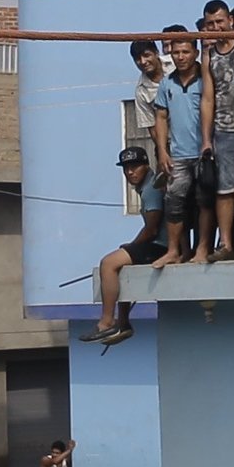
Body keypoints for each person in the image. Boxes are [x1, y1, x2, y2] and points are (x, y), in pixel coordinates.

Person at [84, 146, 163, 344]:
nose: (130, 172)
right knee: (122, 262)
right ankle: (124, 322)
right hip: (156, 243)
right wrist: (131, 246)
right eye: (126, 168)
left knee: (108, 263)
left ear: (146, 166)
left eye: (135, 166)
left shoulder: (151, 190)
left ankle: (107, 322)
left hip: (160, 246)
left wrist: (132, 245)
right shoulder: (147, 187)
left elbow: (152, 229)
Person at [148, 27, 207, 267]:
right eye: (176, 52)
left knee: (205, 202)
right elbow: (160, 118)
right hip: (179, 155)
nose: (180, 56)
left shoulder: (206, 77)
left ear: (195, 52)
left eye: (185, 51)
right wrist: (163, 150)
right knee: (174, 202)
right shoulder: (166, 84)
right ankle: (174, 251)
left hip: (204, 152)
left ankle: (203, 248)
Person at [204, 7, 234, 259]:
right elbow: (208, 98)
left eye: (220, 21)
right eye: (210, 23)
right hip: (224, 130)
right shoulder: (209, 54)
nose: (216, 28)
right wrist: (206, 139)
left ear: (230, 20)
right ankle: (225, 244)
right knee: (225, 190)